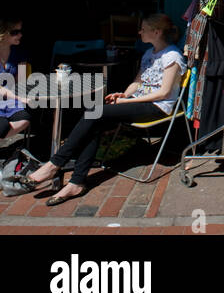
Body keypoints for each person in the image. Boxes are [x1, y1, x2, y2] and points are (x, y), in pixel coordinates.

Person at [21, 14, 185, 205]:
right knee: (95, 118)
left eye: (143, 29)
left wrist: (126, 103)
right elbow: (137, 82)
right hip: (138, 102)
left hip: (157, 107)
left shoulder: (172, 56)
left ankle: (55, 164)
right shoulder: (149, 53)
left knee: (95, 112)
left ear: (156, 32)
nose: (139, 31)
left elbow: (163, 93)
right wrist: (123, 95)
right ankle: (76, 182)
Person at [0, 19, 31, 143]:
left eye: (20, 31)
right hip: (9, 97)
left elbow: (21, 82)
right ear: (3, 33)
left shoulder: (19, 52)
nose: (20, 35)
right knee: (2, 127)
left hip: (10, 101)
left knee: (25, 117)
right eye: (15, 32)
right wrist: (18, 97)